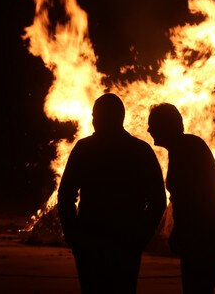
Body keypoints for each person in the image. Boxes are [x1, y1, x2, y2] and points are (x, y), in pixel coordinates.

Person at [57, 93, 166, 293]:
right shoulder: (141, 151)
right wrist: (141, 237)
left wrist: (75, 236)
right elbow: (158, 201)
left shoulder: (85, 149)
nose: (93, 120)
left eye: (95, 115)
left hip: (93, 242)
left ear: (104, 117)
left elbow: (65, 196)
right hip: (125, 243)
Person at [148, 103, 215, 294]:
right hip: (205, 240)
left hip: (202, 242)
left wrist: (181, 233)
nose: (149, 129)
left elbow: (191, 200)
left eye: (153, 124)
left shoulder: (186, 150)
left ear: (166, 125)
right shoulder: (185, 147)